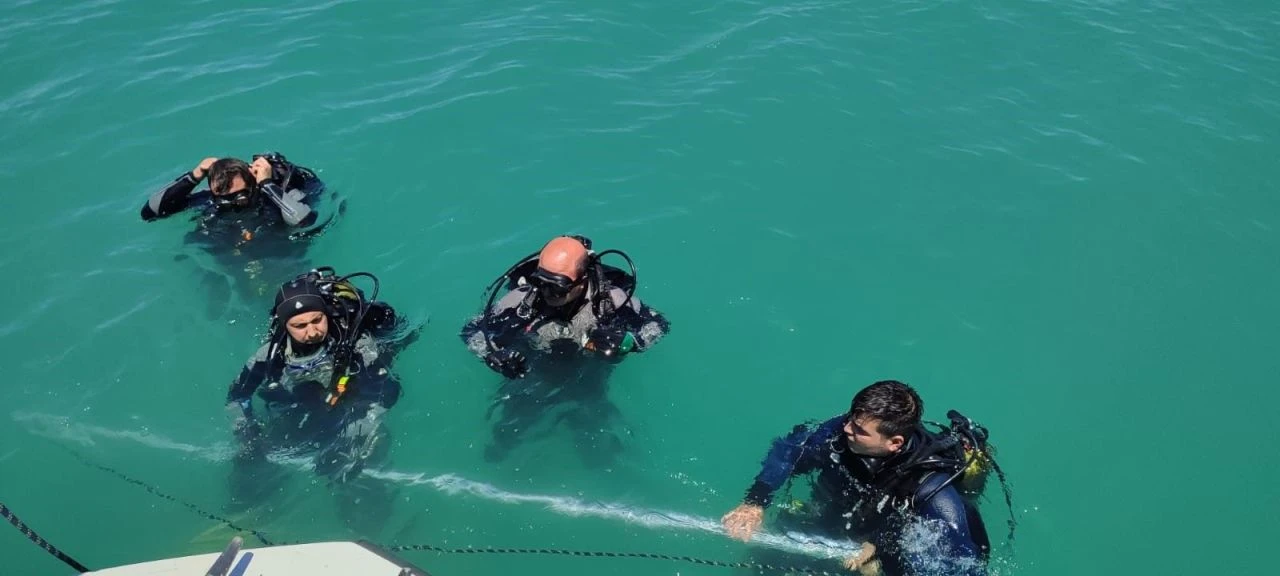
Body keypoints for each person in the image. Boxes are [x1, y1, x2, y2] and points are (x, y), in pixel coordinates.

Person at [721, 381, 1014, 576]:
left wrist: (882, 549)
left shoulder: (932, 489)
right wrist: (755, 501)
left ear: (895, 443)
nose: (846, 429)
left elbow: (963, 563)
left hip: (894, 531)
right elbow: (787, 453)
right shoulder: (840, 432)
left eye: (859, 429)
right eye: (850, 419)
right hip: (851, 507)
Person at [459, 235, 670, 463]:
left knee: (599, 454)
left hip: (588, 378)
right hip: (534, 376)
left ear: (582, 281)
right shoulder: (521, 301)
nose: (546, 294)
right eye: (541, 283)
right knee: (499, 448)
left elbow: (657, 325)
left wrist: (629, 342)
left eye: (557, 288)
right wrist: (492, 355)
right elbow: (472, 331)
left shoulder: (612, 301)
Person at [224, 267, 419, 505]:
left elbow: (382, 393)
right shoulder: (268, 355)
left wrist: (353, 441)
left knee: (361, 456)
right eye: (300, 326)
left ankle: (370, 505)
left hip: (349, 398)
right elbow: (237, 396)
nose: (312, 331)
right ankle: (250, 504)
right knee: (250, 457)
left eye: (317, 320)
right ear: (285, 326)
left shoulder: (358, 345)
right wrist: (246, 432)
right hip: (304, 398)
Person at [141, 153, 330, 311]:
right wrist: (194, 176)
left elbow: (303, 220)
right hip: (233, 270)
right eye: (224, 199)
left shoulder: (273, 197)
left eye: (240, 196)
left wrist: (266, 184)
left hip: (280, 264)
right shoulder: (209, 202)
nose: (232, 204)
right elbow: (149, 212)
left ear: (253, 185)